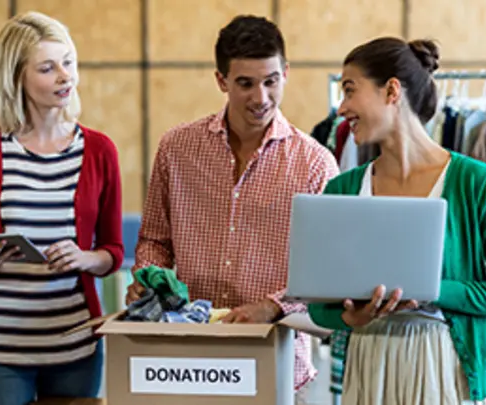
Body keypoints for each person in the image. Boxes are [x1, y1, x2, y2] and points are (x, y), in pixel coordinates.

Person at [308, 37, 486, 405]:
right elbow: (318, 305)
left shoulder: (475, 182)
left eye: (350, 91)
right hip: (369, 370)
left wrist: (432, 291)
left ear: (392, 90)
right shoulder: (342, 188)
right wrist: (352, 318)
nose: (342, 107)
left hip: (448, 371)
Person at [125, 14, 340, 403]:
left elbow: (327, 270)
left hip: (279, 359)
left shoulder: (316, 164)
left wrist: (271, 306)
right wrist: (147, 276)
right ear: (221, 81)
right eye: (245, 83)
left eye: (271, 81)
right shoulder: (176, 149)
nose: (261, 97)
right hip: (188, 359)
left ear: (286, 73)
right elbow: (155, 239)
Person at [0, 11, 124, 405]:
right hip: (0, 347)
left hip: (75, 344)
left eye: (69, 62)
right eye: (48, 68)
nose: (65, 76)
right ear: (18, 78)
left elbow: (112, 253)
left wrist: (85, 257)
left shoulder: (99, 151)